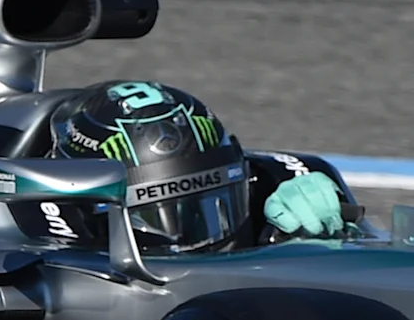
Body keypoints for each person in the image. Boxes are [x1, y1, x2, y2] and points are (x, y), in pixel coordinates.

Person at [34, 80, 351, 254]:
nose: (204, 247)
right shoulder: (35, 240)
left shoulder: (288, 189)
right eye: (153, 217)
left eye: (211, 210)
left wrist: (334, 237)